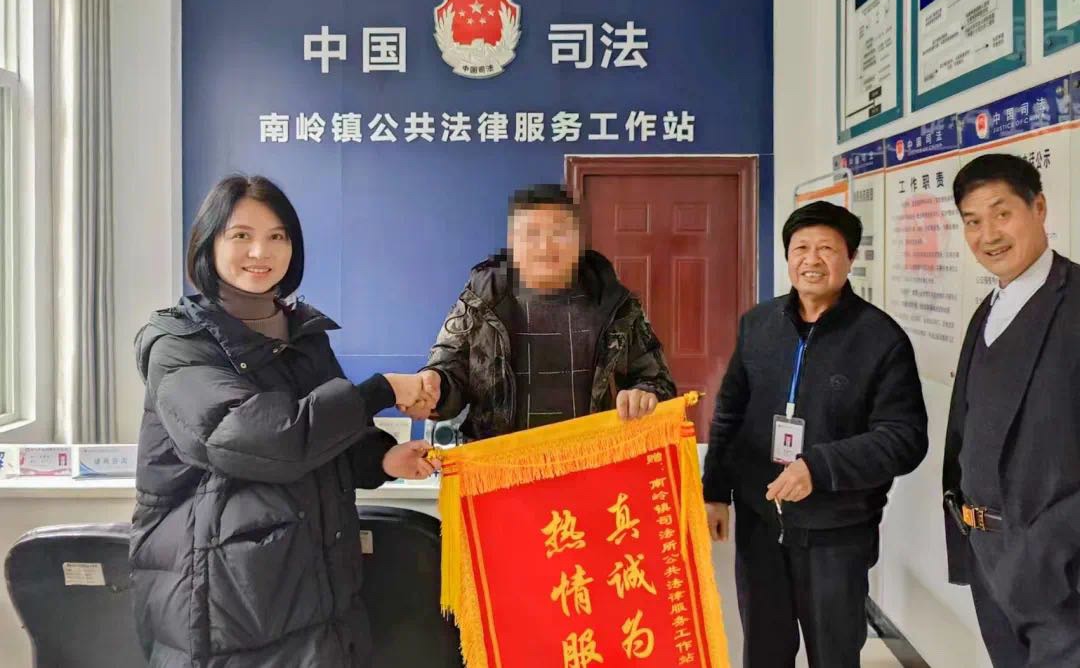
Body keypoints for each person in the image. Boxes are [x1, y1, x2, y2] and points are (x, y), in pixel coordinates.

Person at [130, 174, 438, 667]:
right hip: (228, 607)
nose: (261, 251)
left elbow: (329, 437)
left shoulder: (304, 335)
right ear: (208, 243)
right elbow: (260, 439)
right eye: (241, 235)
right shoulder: (180, 345)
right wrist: (381, 390)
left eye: (277, 236)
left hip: (322, 596)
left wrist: (383, 458)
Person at [702, 200, 927, 668]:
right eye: (801, 248)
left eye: (826, 248)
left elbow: (904, 438)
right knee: (764, 651)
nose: (812, 259)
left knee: (834, 654)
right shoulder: (758, 325)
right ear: (787, 257)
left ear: (850, 257)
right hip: (761, 525)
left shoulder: (880, 339)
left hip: (837, 532)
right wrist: (715, 491)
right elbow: (730, 412)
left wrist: (820, 467)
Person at [943, 154, 1080, 667]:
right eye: (973, 221)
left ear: (1038, 208)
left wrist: (1047, 550)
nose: (988, 235)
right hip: (988, 556)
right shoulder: (990, 308)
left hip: (1061, 573)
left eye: (1002, 214)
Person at [416, 184, 675, 439]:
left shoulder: (614, 304)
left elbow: (657, 379)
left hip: (592, 458)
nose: (545, 246)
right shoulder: (480, 301)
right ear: (512, 242)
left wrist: (645, 394)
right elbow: (449, 371)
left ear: (579, 240)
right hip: (499, 460)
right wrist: (435, 387)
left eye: (559, 233)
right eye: (532, 234)